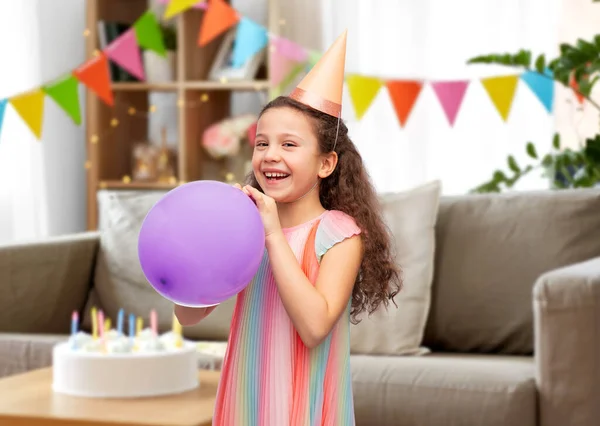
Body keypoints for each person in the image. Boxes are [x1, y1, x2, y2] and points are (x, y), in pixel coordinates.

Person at [174, 30, 402, 425]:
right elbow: (188, 315)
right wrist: (203, 244)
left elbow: (314, 327)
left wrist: (272, 235)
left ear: (326, 164)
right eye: (262, 143)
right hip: (246, 399)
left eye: (289, 145)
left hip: (304, 408)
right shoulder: (245, 225)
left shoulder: (340, 233)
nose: (270, 155)